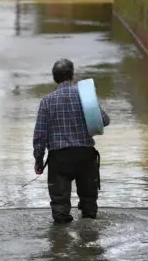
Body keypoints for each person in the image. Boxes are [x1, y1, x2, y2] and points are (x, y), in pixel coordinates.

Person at [33, 58, 110, 224]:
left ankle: (60, 244)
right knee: (89, 204)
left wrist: (39, 160)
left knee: (60, 207)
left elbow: (40, 135)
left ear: (55, 78)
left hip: (59, 158)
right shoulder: (85, 97)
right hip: (85, 156)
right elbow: (104, 120)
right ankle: (89, 240)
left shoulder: (46, 101)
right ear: (72, 76)